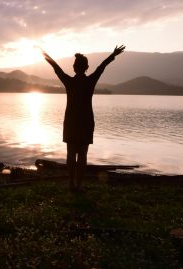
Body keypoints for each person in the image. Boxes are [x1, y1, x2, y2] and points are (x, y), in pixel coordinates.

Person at [42, 45, 125, 192]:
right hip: (86, 121)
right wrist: (113, 54)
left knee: (71, 153)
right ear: (86, 67)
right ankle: (79, 185)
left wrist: (45, 55)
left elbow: (57, 69)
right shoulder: (90, 80)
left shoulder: (69, 81)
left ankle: (71, 184)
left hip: (71, 122)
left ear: (74, 68)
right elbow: (102, 67)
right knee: (82, 155)